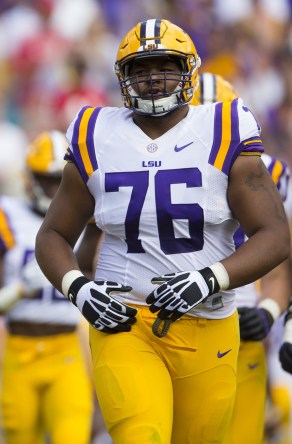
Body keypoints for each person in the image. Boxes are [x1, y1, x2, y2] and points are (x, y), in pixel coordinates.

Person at [35, 19, 290, 444]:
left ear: (188, 69)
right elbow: (53, 235)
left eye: (165, 66)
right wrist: (78, 288)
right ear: (123, 77)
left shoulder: (224, 126)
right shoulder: (95, 132)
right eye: (141, 69)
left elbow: (274, 236)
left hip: (209, 322)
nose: (153, 78)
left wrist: (208, 279)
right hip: (125, 321)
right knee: (142, 434)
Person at [191, 72, 291, 444]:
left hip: (239, 321)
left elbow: (283, 261)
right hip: (174, 325)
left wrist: (267, 311)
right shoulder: (151, 167)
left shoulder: (270, 173)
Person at [0, 130, 92, 444]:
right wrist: (20, 290)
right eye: (47, 179)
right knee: (19, 437)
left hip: (66, 350)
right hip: (19, 351)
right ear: (29, 179)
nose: (55, 189)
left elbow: (95, 277)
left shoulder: (87, 218)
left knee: (73, 436)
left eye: (60, 179)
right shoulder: (2, 215)